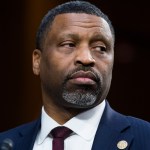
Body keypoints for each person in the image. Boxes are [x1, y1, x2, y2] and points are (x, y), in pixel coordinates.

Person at [0, 1, 150, 150]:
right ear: (37, 61)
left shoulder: (145, 138)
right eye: (69, 44)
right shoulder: (6, 144)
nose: (86, 58)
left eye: (100, 48)